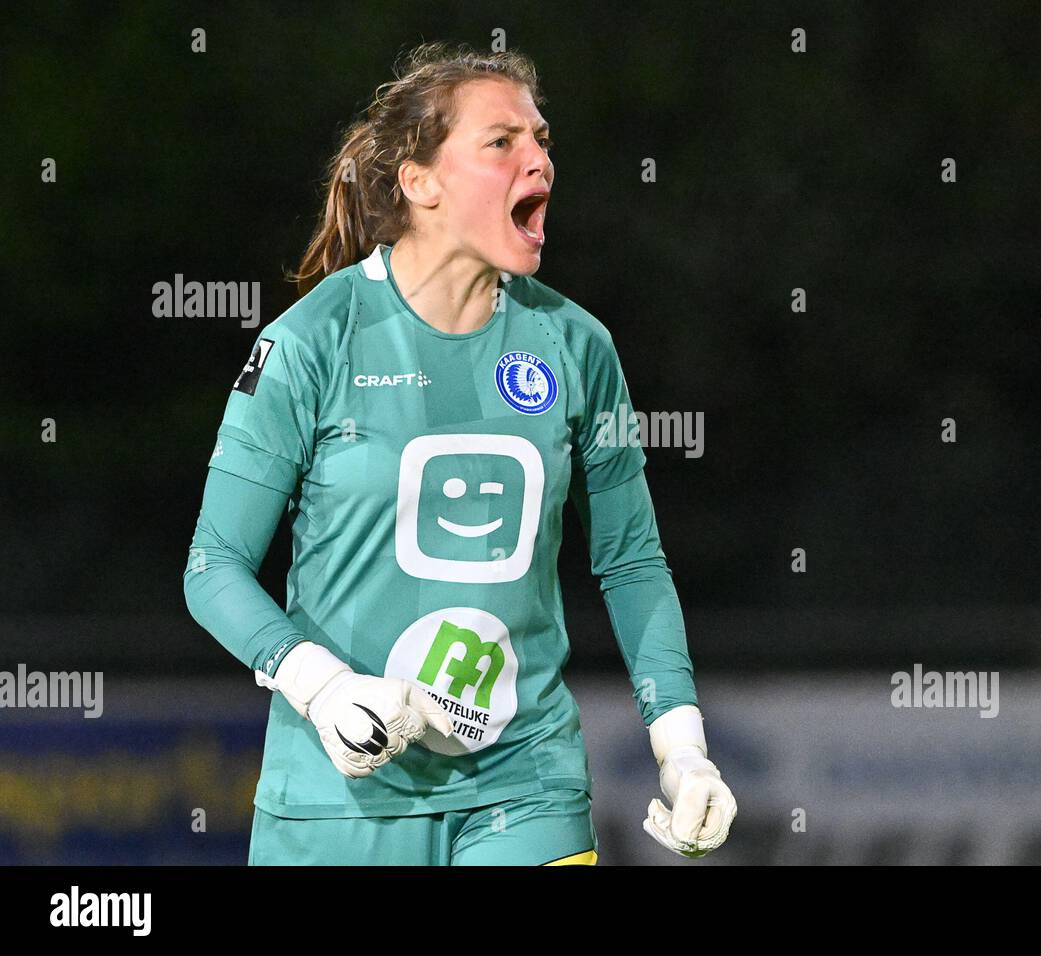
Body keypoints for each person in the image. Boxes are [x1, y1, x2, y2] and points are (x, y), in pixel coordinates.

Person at [182, 42, 736, 865]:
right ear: (421, 182)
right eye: (502, 141)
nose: (538, 159)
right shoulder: (310, 343)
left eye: (541, 139)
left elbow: (631, 562)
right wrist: (322, 687)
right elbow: (214, 566)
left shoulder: (576, 346)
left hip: (528, 787)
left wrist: (681, 747)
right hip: (339, 802)